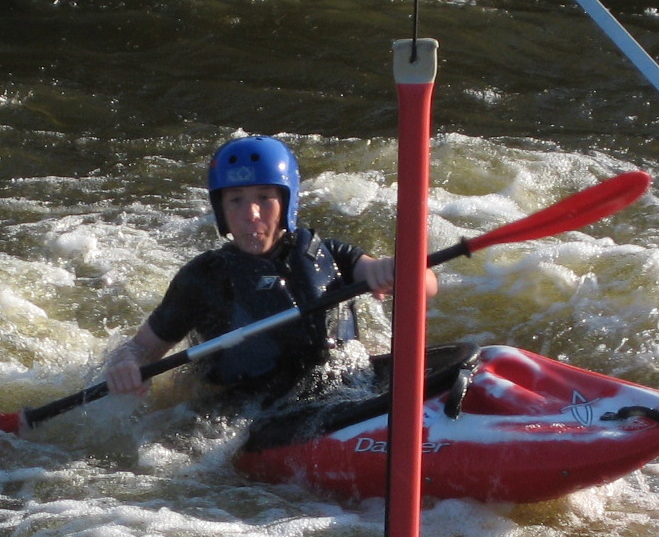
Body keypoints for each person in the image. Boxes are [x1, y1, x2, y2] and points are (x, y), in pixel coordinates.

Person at [104, 136, 439, 409]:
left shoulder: (327, 255)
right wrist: (125, 365)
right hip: (243, 413)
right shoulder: (203, 278)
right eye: (236, 200)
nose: (251, 213)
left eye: (264, 198)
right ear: (221, 209)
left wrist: (392, 270)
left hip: (342, 390)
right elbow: (141, 348)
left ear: (286, 204)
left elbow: (426, 286)